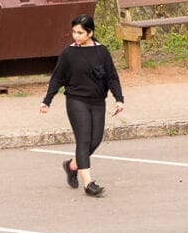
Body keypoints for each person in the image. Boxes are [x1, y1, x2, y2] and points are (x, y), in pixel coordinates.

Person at [39, 14, 124, 197]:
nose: (76, 36)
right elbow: (57, 78)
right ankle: (89, 184)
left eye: (80, 33)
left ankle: (72, 166)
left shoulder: (102, 51)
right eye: (74, 32)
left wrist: (119, 98)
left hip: (98, 101)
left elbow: (111, 77)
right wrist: (47, 101)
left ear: (90, 33)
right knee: (84, 140)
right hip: (76, 100)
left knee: (96, 140)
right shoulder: (68, 53)